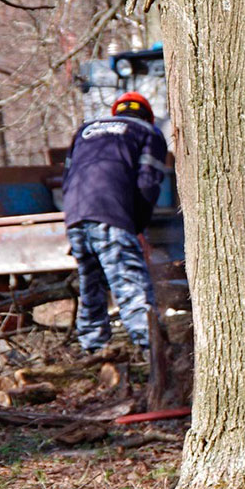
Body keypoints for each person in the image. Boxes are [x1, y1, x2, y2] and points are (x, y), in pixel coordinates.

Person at [60, 92, 169, 351]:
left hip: (75, 215)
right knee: (130, 285)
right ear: (148, 116)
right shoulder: (148, 133)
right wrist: (137, 227)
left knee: (91, 285)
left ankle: (93, 351)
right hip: (111, 214)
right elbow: (148, 184)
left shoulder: (85, 131)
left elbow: (66, 178)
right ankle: (153, 355)